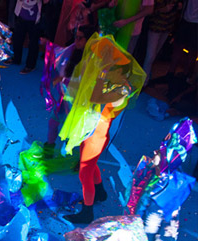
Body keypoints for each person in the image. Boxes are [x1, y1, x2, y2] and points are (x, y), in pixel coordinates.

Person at [60, 34, 145, 223]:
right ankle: (100, 192)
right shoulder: (115, 83)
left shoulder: (122, 90)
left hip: (96, 135)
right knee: (90, 164)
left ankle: (87, 212)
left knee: (84, 173)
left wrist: (102, 75)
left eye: (112, 68)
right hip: (93, 130)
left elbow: (96, 97)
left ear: (121, 73)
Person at [42, 25, 97, 156]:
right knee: (53, 122)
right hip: (65, 97)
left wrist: (63, 80)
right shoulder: (73, 50)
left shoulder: (92, 59)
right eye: (75, 37)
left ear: (88, 40)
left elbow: (85, 82)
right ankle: (49, 148)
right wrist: (48, 44)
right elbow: (60, 51)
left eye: (80, 38)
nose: (76, 40)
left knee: (78, 131)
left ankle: (80, 160)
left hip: (79, 102)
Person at [11, 0, 49, 74]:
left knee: (33, 42)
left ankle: (30, 65)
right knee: (17, 37)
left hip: (34, 17)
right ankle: (16, 58)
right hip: (21, 13)